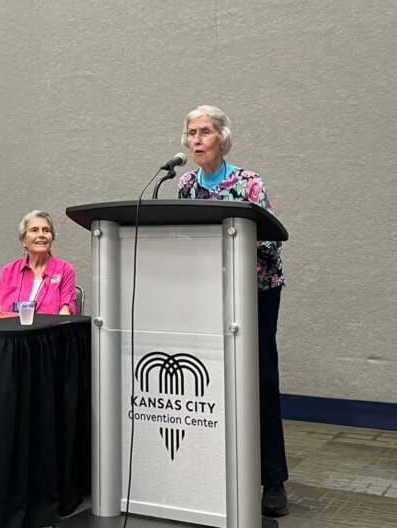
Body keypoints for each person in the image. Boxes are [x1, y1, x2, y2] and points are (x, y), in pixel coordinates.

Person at [177, 105, 289, 518]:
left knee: (259, 378)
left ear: (222, 138)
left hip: (256, 291)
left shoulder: (248, 183)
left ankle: (272, 479)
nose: (197, 140)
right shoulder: (186, 185)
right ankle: (214, 471)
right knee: (211, 379)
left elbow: (270, 242)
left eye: (205, 132)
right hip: (208, 293)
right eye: (192, 133)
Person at [0, 210, 77, 315]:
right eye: (34, 230)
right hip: (11, 325)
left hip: (49, 326)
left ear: (52, 237)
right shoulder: (8, 271)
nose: (41, 235)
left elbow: (65, 312)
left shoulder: (64, 270)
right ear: (23, 240)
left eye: (46, 230)